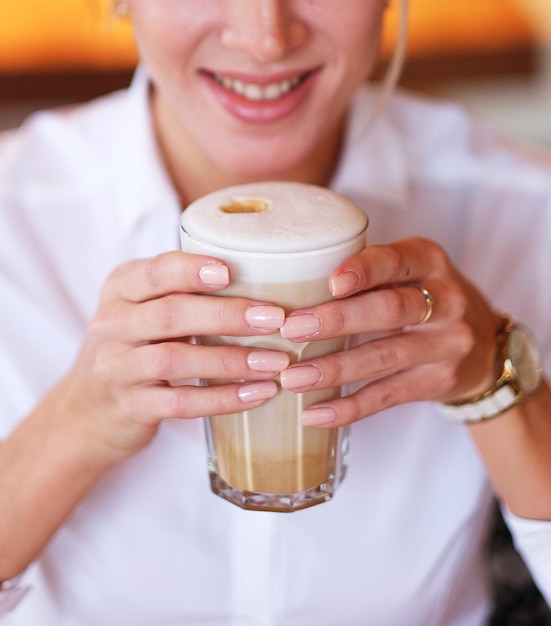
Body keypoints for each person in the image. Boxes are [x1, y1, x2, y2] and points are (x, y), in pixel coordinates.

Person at [1, 1, 550, 623]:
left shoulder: (525, 208)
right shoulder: (13, 216)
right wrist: (78, 422)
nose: (266, 39)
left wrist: (497, 378)